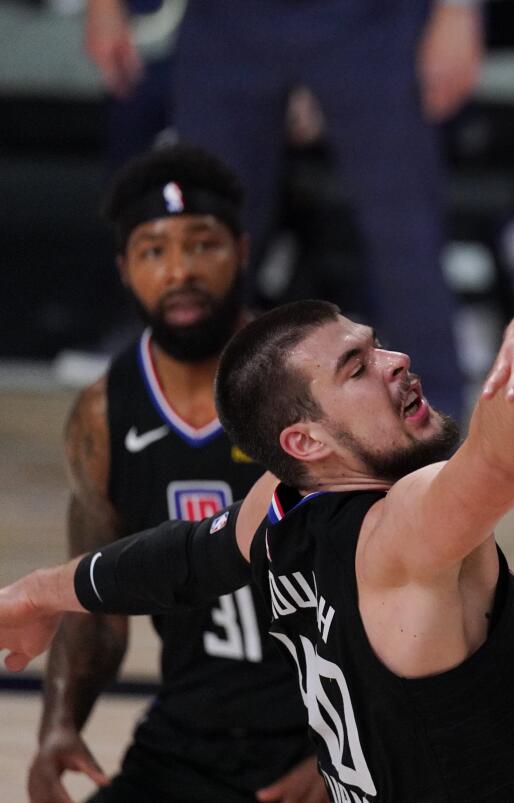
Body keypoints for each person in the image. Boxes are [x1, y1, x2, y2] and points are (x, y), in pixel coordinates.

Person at [2, 297, 514, 802]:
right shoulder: (403, 530)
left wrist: (37, 594)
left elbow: (182, 557)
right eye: (357, 368)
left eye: (377, 347)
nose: (396, 362)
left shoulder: (283, 504)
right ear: (306, 440)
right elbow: (502, 456)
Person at [28, 145, 324, 803]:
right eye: (153, 251)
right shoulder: (104, 414)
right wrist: (57, 725)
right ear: (125, 271)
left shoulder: (309, 385)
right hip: (189, 738)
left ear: (242, 250)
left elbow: (396, 581)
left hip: (323, 734)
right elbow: (96, 609)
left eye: (202, 244)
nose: (180, 269)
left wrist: (345, 757)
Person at [82, 0, 486, 419]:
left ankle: (436, 429)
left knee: (405, 230)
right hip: (226, 22)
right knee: (205, 226)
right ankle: (182, 420)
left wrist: (458, 12)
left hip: (373, 21)